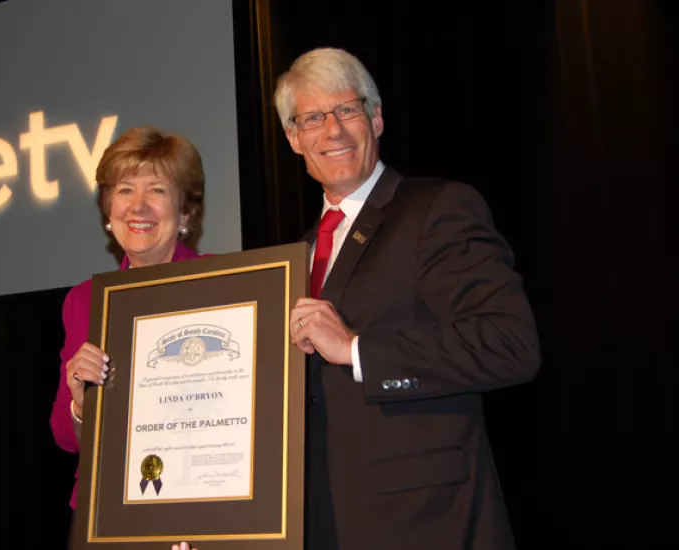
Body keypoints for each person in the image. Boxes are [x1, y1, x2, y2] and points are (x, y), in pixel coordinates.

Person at [173, 47, 541, 550]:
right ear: (293, 139)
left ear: (377, 118)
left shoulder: (436, 208)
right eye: (313, 118)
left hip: (425, 522)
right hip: (318, 521)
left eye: (347, 110)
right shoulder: (292, 258)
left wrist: (356, 349)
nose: (333, 131)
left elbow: (509, 344)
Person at [48, 126, 210, 546]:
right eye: (124, 190)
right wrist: (81, 405)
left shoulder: (225, 285)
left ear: (186, 212)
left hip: (203, 502)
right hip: (106, 514)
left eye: (157, 189)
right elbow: (66, 437)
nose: (138, 206)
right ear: (108, 209)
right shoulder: (84, 301)